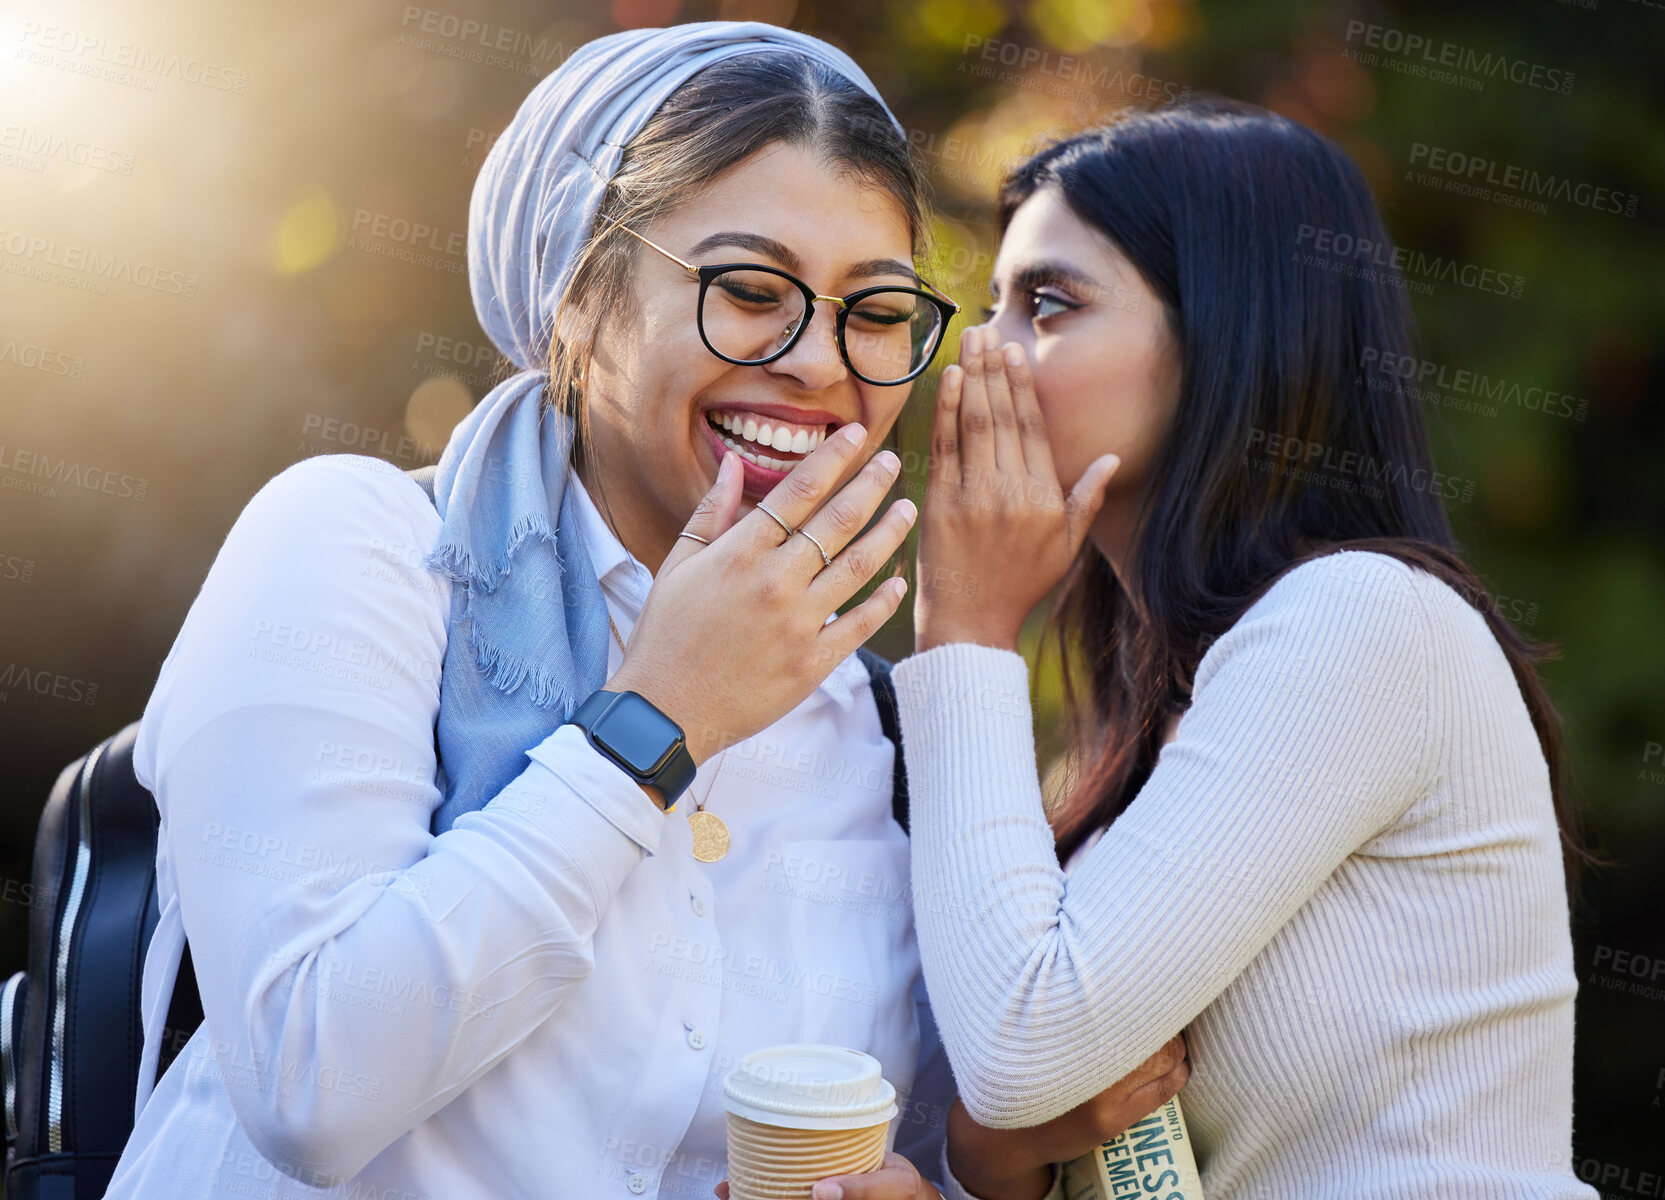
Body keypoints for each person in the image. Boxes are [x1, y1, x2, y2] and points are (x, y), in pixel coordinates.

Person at [104, 22, 1121, 1200]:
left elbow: (940, 1143)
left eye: (879, 312)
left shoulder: (875, 722)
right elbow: (310, 1087)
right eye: (748, 290)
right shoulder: (361, 549)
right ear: (579, 296)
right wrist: (657, 716)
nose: (817, 363)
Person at [894, 98, 1599, 1199]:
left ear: (1227, 331)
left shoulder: (1363, 622)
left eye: (1048, 302)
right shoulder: (1158, 693)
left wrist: (966, 632)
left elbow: (1021, 1044)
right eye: (993, 304)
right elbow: (1059, 1097)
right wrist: (990, 1161)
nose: (985, 354)